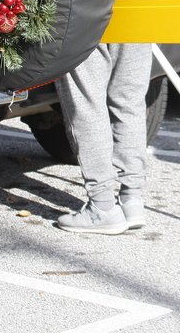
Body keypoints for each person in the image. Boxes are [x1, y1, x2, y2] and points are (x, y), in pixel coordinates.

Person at [53, 43, 152, 234]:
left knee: (87, 102)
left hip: (90, 17)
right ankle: (131, 200)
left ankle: (103, 206)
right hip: (138, 16)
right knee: (130, 100)